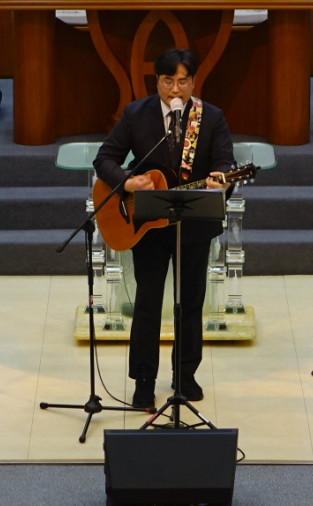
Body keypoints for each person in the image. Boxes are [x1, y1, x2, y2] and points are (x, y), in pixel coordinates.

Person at [94, 48, 235, 409]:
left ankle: (185, 375)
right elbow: (105, 159)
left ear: (194, 81)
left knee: (191, 301)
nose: (175, 89)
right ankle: (144, 380)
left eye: (183, 81)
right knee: (148, 301)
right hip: (149, 224)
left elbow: (225, 163)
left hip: (194, 224)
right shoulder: (136, 114)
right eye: (168, 81)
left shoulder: (211, 117)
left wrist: (223, 181)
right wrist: (127, 182)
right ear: (156, 81)